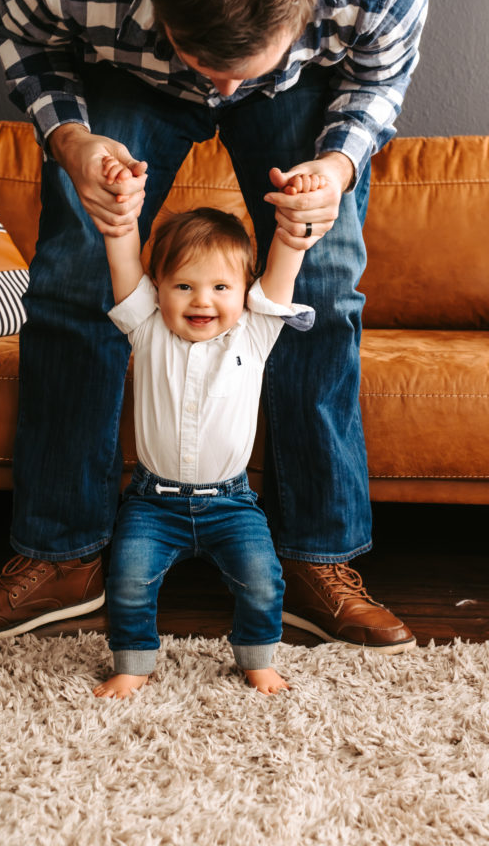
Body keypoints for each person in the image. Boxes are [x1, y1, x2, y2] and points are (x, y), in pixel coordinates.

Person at [0, 0, 428, 652]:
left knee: (324, 286)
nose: (223, 90)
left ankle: (316, 556)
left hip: (303, 91)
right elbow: (23, 40)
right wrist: (70, 139)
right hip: (124, 75)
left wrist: (337, 169)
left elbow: (380, 77)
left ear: (307, 8)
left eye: (244, 68)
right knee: (72, 278)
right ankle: (60, 555)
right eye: (204, 61)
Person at [94, 164, 323, 698]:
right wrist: (122, 213)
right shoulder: (147, 328)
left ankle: (258, 659)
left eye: (221, 286)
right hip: (152, 503)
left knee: (263, 582)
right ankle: (132, 663)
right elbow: (124, 256)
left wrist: (294, 225)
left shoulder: (255, 333)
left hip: (232, 502)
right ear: (157, 291)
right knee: (127, 582)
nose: (202, 300)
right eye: (184, 286)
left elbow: (285, 268)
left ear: (246, 291)